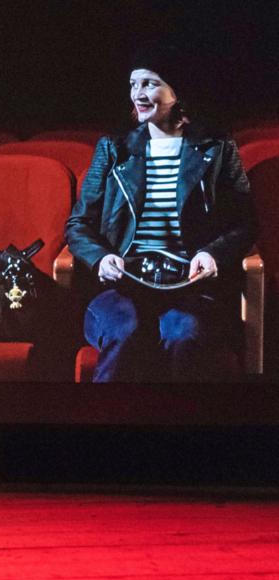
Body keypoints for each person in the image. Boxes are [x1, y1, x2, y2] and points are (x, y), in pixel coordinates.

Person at [65, 43, 257, 382]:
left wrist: (213, 254)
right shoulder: (113, 148)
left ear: (176, 91)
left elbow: (245, 222)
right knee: (124, 331)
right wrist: (101, 258)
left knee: (183, 334)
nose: (137, 94)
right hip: (124, 284)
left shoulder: (217, 148)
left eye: (150, 83)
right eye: (133, 84)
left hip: (189, 285)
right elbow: (79, 224)